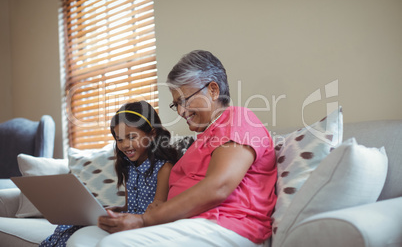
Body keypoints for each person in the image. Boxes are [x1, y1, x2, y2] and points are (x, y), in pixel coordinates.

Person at [67, 50, 277, 247]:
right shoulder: (201, 141)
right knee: (82, 239)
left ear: (213, 90)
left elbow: (218, 186)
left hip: (227, 225)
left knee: (112, 244)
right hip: (185, 223)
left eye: (184, 100)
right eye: (175, 104)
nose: (180, 111)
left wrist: (143, 220)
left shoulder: (238, 118)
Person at [40, 100, 177, 247]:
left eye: (131, 137)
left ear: (152, 135)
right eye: (119, 139)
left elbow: (157, 211)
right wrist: (115, 210)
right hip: (126, 221)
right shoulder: (129, 166)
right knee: (67, 226)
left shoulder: (164, 169)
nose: (124, 145)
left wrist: (127, 218)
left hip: (143, 227)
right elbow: (129, 206)